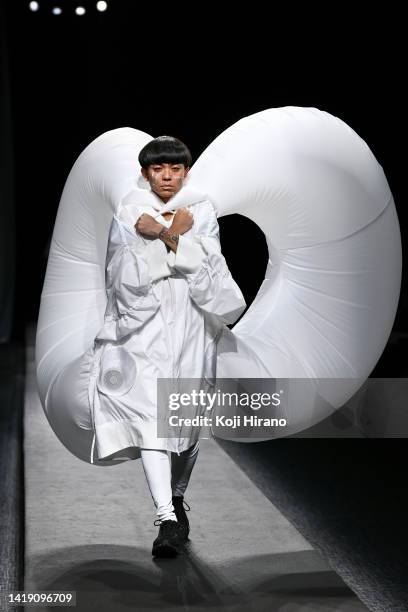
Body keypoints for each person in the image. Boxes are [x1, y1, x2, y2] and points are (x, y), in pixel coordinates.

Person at [91, 135, 246, 557]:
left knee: (188, 422)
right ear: (145, 173)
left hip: (194, 324)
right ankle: (166, 518)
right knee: (151, 418)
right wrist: (172, 242)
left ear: (186, 172)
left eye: (175, 169)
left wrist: (163, 234)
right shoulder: (128, 209)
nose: (167, 177)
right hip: (147, 326)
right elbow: (119, 275)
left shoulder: (202, 208)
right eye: (158, 169)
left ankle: (177, 495)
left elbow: (213, 271)